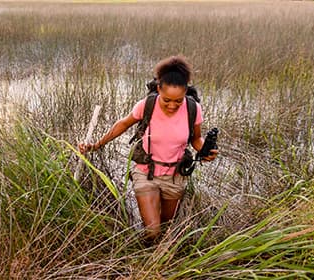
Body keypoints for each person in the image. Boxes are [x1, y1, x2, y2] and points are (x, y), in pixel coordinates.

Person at [79, 55, 218, 243]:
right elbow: (123, 124)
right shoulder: (147, 105)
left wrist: (205, 152)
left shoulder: (193, 108)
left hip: (176, 174)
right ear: (158, 89)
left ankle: (157, 262)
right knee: (152, 230)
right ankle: (143, 259)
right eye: (167, 99)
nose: (172, 106)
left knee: (167, 227)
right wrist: (96, 145)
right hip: (146, 172)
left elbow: (196, 139)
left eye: (178, 101)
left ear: (186, 91)